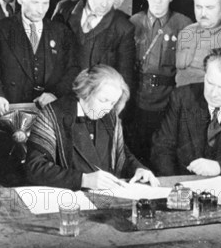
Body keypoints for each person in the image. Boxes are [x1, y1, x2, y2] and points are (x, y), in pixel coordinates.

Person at [26, 65, 159, 190]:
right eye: (103, 100)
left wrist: (138, 169)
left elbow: (122, 154)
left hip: (106, 197)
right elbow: (35, 168)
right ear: (86, 91)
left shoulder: (109, 116)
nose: (108, 109)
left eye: (112, 103)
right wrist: (83, 180)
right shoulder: (53, 114)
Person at [0, 0, 79, 116]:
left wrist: (55, 94)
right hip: (10, 112)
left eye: (45, 3)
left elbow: (73, 69)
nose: (41, 10)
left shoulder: (62, 31)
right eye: (35, 2)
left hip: (51, 113)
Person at [128, 0, 192, 165]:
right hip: (137, 99)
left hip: (167, 100)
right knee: (135, 149)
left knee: (162, 152)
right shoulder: (133, 23)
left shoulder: (183, 25)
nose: (157, 0)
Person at [52, 0, 135, 91]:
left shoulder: (123, 27)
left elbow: (124, 81)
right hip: (59, 94)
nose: (104, 4)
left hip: (95, 101)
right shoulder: (64, 10)